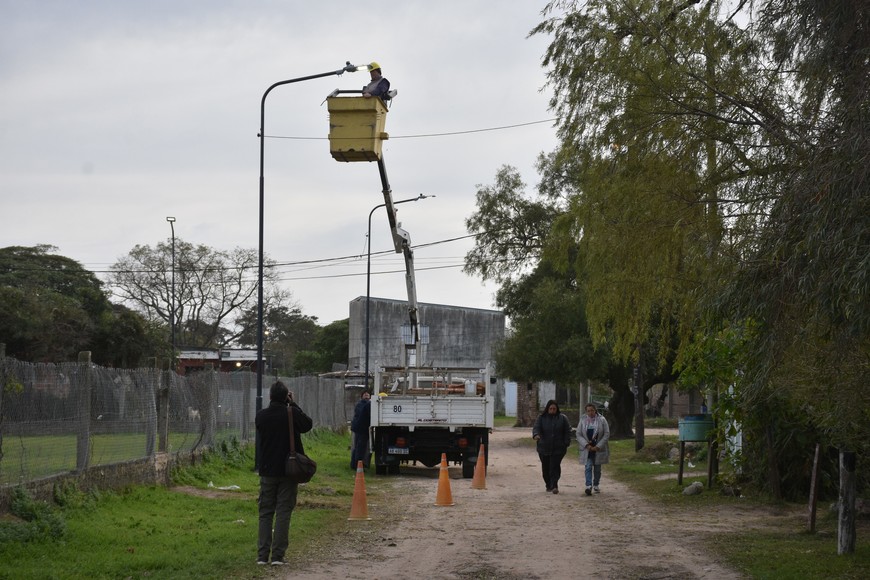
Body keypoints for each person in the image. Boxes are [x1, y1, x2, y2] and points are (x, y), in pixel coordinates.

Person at [255, 381, 313, 566]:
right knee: (283, 512)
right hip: (289, 470)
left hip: (267, 470)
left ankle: (262, 556)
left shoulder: (261, 416)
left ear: (270, 396)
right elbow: (307, 425)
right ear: (286, 396)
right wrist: (293, 404)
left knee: (265, 512)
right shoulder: (291, 413)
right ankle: (278, 556)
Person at [532, 399, 571, 494]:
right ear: (547, 409)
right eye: (551, 408)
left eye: (554, 408)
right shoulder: (541, 418)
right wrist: (536, 435)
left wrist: (566, 442)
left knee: (554, 466)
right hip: (544, 447)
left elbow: (567, 431)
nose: (552, 410)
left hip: (558, 448)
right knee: (545, 467)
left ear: (557, 409)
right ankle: (548, 484)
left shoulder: (562, 418)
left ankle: (554, 485)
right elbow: (536, 428)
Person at [577, 402, 610, 496]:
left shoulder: (602, 420)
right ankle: (588, 485)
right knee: (588, 466)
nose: (590, 412)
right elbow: (579, 434)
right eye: (588, 411)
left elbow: (606, 434)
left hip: (598, 448)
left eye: (592, 410)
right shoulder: (583, 420)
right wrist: (586, 445)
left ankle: (596, 484)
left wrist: (598, 446)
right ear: (586, 412)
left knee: (597, 468)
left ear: (595, 410)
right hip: (588, 448)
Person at [350, 390, 372, 470]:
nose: (366, 395)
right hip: (360, 429)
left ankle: (356, 464)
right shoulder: (361, 404)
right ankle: (356, 465)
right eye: (364, 394)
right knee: (360, 447)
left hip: (362, 429)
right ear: (362, 396)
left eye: (367, 394)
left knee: (359, 447)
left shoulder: (367, 404)